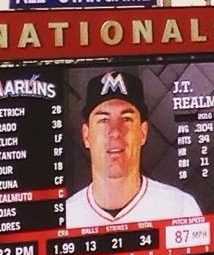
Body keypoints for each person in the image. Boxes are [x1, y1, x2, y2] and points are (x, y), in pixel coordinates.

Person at [63, 71, 204, 231]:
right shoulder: (66, 216)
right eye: (103, 120)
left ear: (143, 132)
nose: (115, 132)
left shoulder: (181, 208)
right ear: (86, 135)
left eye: (126, 119)